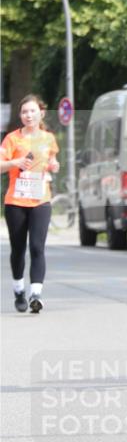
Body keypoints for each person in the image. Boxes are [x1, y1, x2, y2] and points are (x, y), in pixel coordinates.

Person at [1, 95, 60, 313]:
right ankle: (19, 290)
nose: (28, 115)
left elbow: (52, 162)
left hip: (40, 200)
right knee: (18, 249)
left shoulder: (48, 138)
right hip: (16, 201)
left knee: (37, 247)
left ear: (41, 114)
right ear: (20, 116)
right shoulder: (12, 139)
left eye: (32, 111)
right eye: (24, 112)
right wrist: (14, 162)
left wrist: (54, 165)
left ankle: (36, 294)